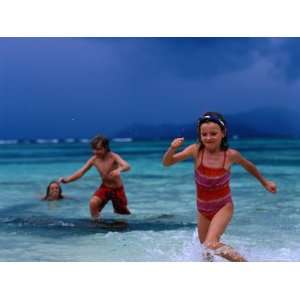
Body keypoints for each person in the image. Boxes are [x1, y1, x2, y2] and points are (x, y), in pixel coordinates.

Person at [162, 112, 277, 262]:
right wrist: (172, 148)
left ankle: (244, 263)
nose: (208, 138)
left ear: (223, 133)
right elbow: (167, 163)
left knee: (211, 244)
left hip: (223, 206)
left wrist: (265, 182)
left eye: (213, 133)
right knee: (206, 252)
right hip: (203, 209)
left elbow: (249, 166)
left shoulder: (230, 155)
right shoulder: (196, 150)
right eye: (204, 134)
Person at [59, 135, 131, 219]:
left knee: (122, 214)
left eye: (98, 149)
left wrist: (119, 170)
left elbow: (127, 166)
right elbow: (81, 172)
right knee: (93, 203)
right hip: (105, 187)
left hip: (117, 189)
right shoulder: (94, 159)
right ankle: (96, 224)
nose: (95, 152)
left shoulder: (113, 156)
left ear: (105, 147)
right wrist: (67, 180)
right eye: (94, 149)